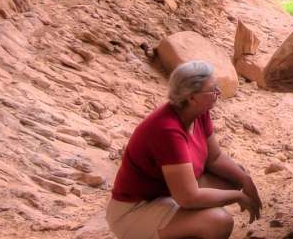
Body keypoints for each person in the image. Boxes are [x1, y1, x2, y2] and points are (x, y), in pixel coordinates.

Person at [106, 60, 261, 239]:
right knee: (219, 222)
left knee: (234, 175)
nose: (218, 92)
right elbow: (188, 198)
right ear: (192, 97)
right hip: (136, 209)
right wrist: (238, 197)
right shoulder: (167, 130)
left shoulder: (198, 113)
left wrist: (245, 179)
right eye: (213, 89)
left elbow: (215, 158)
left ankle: (186, 226)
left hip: (167, 193)